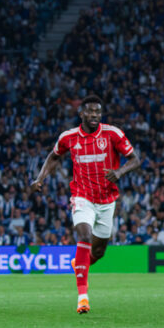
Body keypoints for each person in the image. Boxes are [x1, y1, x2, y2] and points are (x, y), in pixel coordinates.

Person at [29, 95, 140, 314]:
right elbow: (53, 156)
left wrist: (119, 172)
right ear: (81, 114)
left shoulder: (112, 134)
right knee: (84, 236)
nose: (94, 115)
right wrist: (40, 178)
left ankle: (79, 264)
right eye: (90, 111)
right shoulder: (69, 137)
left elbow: (135, 159)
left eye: (98, 112)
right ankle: (82, 297)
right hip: (82, 196)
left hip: (107, 200)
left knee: (98, 251)